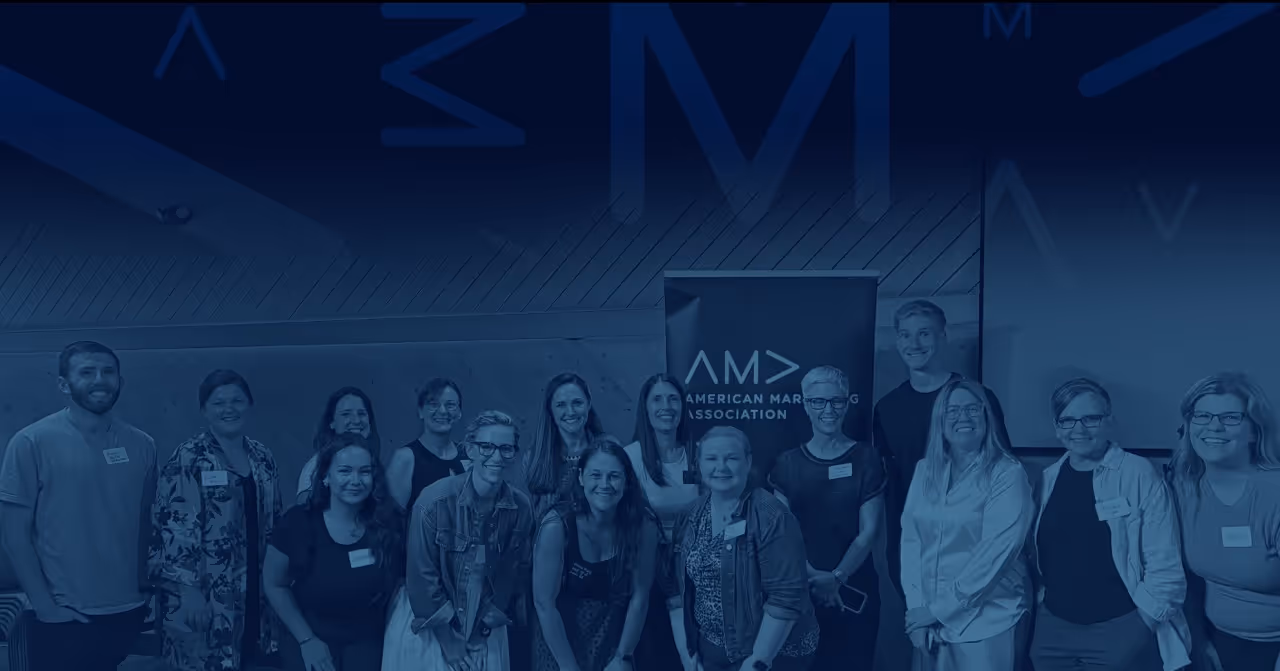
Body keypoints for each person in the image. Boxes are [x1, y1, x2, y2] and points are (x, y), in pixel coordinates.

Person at [0, 341, 157, 671]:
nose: (100, 379)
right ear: (63, 384)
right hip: (63, 613)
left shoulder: (143, 445)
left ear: (120, 381)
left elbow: (145, 524)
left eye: (108, 372)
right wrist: (45, 607)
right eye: (87, 372)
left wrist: (144, 593)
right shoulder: (30, 442)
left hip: (127, 609)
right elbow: (15, 536)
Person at [1028, 378, 1189, 671]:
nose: (1079, 429)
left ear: (1109, 421)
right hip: (1053, 629)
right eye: (1068, 420)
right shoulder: (1047, 479)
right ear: (1057, 427)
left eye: (1090, 418)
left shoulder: (1138, 474)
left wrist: (1144, 623)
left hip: (1121, 627)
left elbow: (1164, 560)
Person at [873, 300, 1012, 600]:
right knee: (923, 637)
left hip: (972, 543)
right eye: (905, 335)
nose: (914, 344)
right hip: (913, 547)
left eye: (924, 333)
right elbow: (891, 482)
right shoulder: (886, 409)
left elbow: (1003, 471)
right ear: (897, 340)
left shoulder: (978, 399)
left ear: (942, 336)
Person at [151, 369, 285, 670]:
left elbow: (275, 520)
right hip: (202, 595)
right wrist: (189, 592)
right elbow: (173, 529)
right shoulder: (189, 457)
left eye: (237, 401)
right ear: (204, 410)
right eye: (219, 402)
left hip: (255, 588)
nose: (229, 409)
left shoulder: (262, 457)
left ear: (249, 405)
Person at [900, 378, 1033, 671]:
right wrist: (916, 611)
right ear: (940, 420)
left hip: (988, 622)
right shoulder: (925, 471)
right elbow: (911, 542)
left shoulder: (1007, 474)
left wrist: (938, 611)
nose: (963, 417)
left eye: (973, 409)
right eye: (952, 410)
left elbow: (996, 554)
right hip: (930, 626)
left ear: (987, 416)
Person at [668, 426, 819, 671]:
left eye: (731, 458)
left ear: (748, 462)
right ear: (699, 464)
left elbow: (786, 598)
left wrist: (758, 662)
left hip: (773, 655)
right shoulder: (690, 514)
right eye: (711, 459)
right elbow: (677, 589)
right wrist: (688, 651)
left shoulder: (772, 516)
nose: (721, 467)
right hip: (712, 651)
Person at [399, 410, 535, 671]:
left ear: (514, 454)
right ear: (469, 450)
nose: (496, 457)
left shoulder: (521, 507)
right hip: (433, 626)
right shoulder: (433, 502)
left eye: (506, 448)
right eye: (486, 447)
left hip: (485, 626)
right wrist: (449, 640)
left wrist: (482, 630)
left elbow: (510, 574)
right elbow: (421, 576)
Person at [769, 366, 885, 671]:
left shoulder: (866, 458)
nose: (828, 410)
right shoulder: (787, 463)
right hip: (800, 593)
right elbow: (783, 533)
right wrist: (815, 579)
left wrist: (836, 578)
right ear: (806, 405)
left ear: (847, 404)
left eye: (836, 401)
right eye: (818, 402)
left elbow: (869, 531)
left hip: (855, 589)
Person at [264, 433, 405, 671]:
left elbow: (402, 583)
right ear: (326, 476)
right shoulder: (298, 523)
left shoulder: (388, 524)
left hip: (367, 643)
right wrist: (307, 640)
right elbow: (274, 583)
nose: (355, 480)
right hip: (309, 638)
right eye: (345, 471)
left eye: (364, 472)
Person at [1168, 372, 1280, 671]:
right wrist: (1199, 639)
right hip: (1214, 640)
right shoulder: (1182, 489)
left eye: (1231, 417)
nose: (1214, 426)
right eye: (1202, 415)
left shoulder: (1274, 493)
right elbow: (1185, 579)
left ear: (1255, 430)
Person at [532, 437, 659, 671]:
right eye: (595, 475)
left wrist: (623, 656)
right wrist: (567, 666)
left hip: (616, 637)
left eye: (614, 476)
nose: (605, 484)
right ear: (580, 478)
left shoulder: (644, 527)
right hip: (559, 638)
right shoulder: (557, 526)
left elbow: (640, 597)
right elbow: (544, 603)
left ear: (627, 481)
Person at [620, 374, 700, 671]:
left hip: (695, 573)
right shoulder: (630, 458)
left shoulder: (699, 453)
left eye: (673, 398)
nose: (666, 406)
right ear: (645, 407)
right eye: (657, 399)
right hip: (647, 574)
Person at [520, 373, 607, 518]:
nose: (571, 412)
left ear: (589, 404)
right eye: (561, 405)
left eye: (577, 403)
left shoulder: (609, 450)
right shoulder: (532, 459)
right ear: (550, 410)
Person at [387, 378, 468, 510]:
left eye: (450, 405)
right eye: (433, 404)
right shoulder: (405, 459)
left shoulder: (469, 455)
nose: (442, 411)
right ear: (420, 411)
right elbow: (392, 521)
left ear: (459, 413)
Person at [298, 387, 383, 503]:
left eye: (361, 413)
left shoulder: (375, 464)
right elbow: (304, 514)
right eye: (346, 414)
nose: (357, 420)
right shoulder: (315, 467)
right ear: (331, 422)